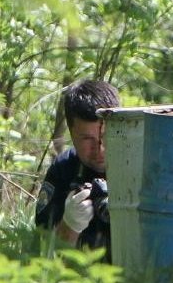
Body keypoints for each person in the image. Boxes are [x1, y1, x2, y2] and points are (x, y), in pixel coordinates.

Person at [35, 79, 120, 262]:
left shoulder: (142, 164)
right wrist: (70, 225)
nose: (100, 148)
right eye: (87, 139)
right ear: (71, 135)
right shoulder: (65, 169)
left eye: (105, 136)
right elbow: (45, 255)